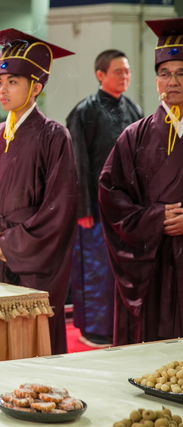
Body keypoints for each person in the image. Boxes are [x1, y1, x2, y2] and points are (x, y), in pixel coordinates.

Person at [0, 29, 78, 355]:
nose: (3, 90)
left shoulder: (55, 136)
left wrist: (9, 244)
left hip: (30, 261)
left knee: (31, 347)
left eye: (13, 82)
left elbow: (59, 209)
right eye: (0, 82)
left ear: (36, 87)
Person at [99, 17, 183, 345]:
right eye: (164, 73)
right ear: (156, 79)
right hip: (152, 258)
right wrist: (154, 218)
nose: (172, 81)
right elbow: (110, 194)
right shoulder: (134, 136)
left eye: (180, 73)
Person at [66, 49, 142, 348]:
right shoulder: (84, 111)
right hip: (95, 207)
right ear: (100, 75)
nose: (124, 76)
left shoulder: (134, 108)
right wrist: (82, 208)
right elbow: (77, 162)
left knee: (123, 268)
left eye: (127, 71)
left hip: (128, 207)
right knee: (96, 268)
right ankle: (95, 329)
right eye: (118, 71)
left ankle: (122, 325)